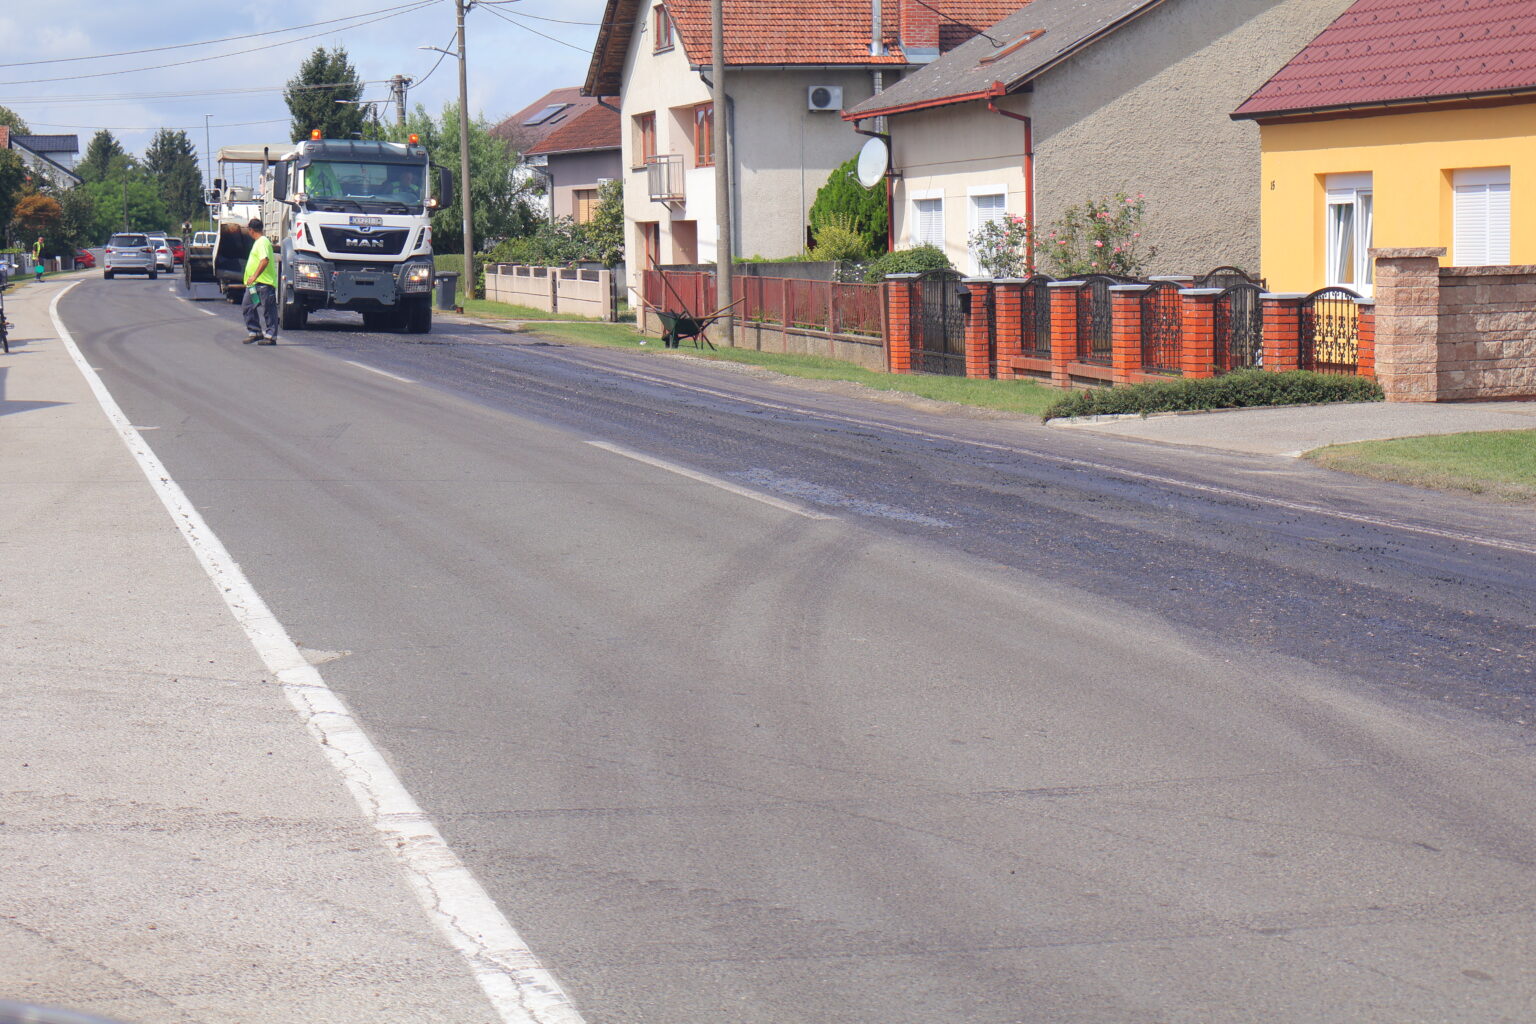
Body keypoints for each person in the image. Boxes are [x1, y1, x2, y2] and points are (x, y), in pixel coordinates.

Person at [242, 218, 278, 345]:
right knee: (248, 306)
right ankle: (255, 332)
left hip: (263, 284)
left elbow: (265, 260)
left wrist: (254, 276)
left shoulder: (262, 242)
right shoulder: (258, 242)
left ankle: (271, 336)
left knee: (268, 309)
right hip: (254, 285)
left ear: (251, 230)